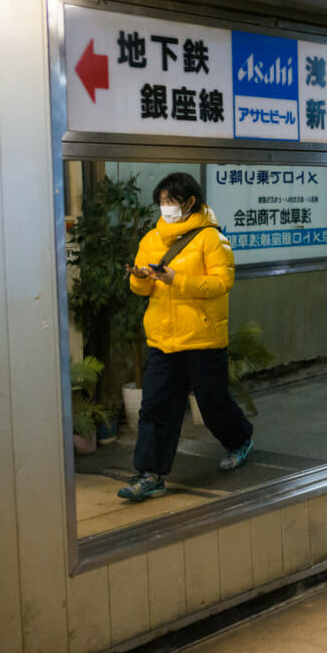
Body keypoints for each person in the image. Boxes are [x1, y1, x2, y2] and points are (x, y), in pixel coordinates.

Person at [118, 172, 254, 502]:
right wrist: (139, 278)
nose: (165, 208)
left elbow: (222, 284)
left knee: (212, 403)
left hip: (203, 338)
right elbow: (143, 288)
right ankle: (150, 474)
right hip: (163, 338)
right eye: (161, 202)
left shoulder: (211, 238)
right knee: (154, 407)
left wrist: (176, 279)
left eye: (171, 202)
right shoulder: (151, 239)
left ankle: (240, 439)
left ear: (190, 202)